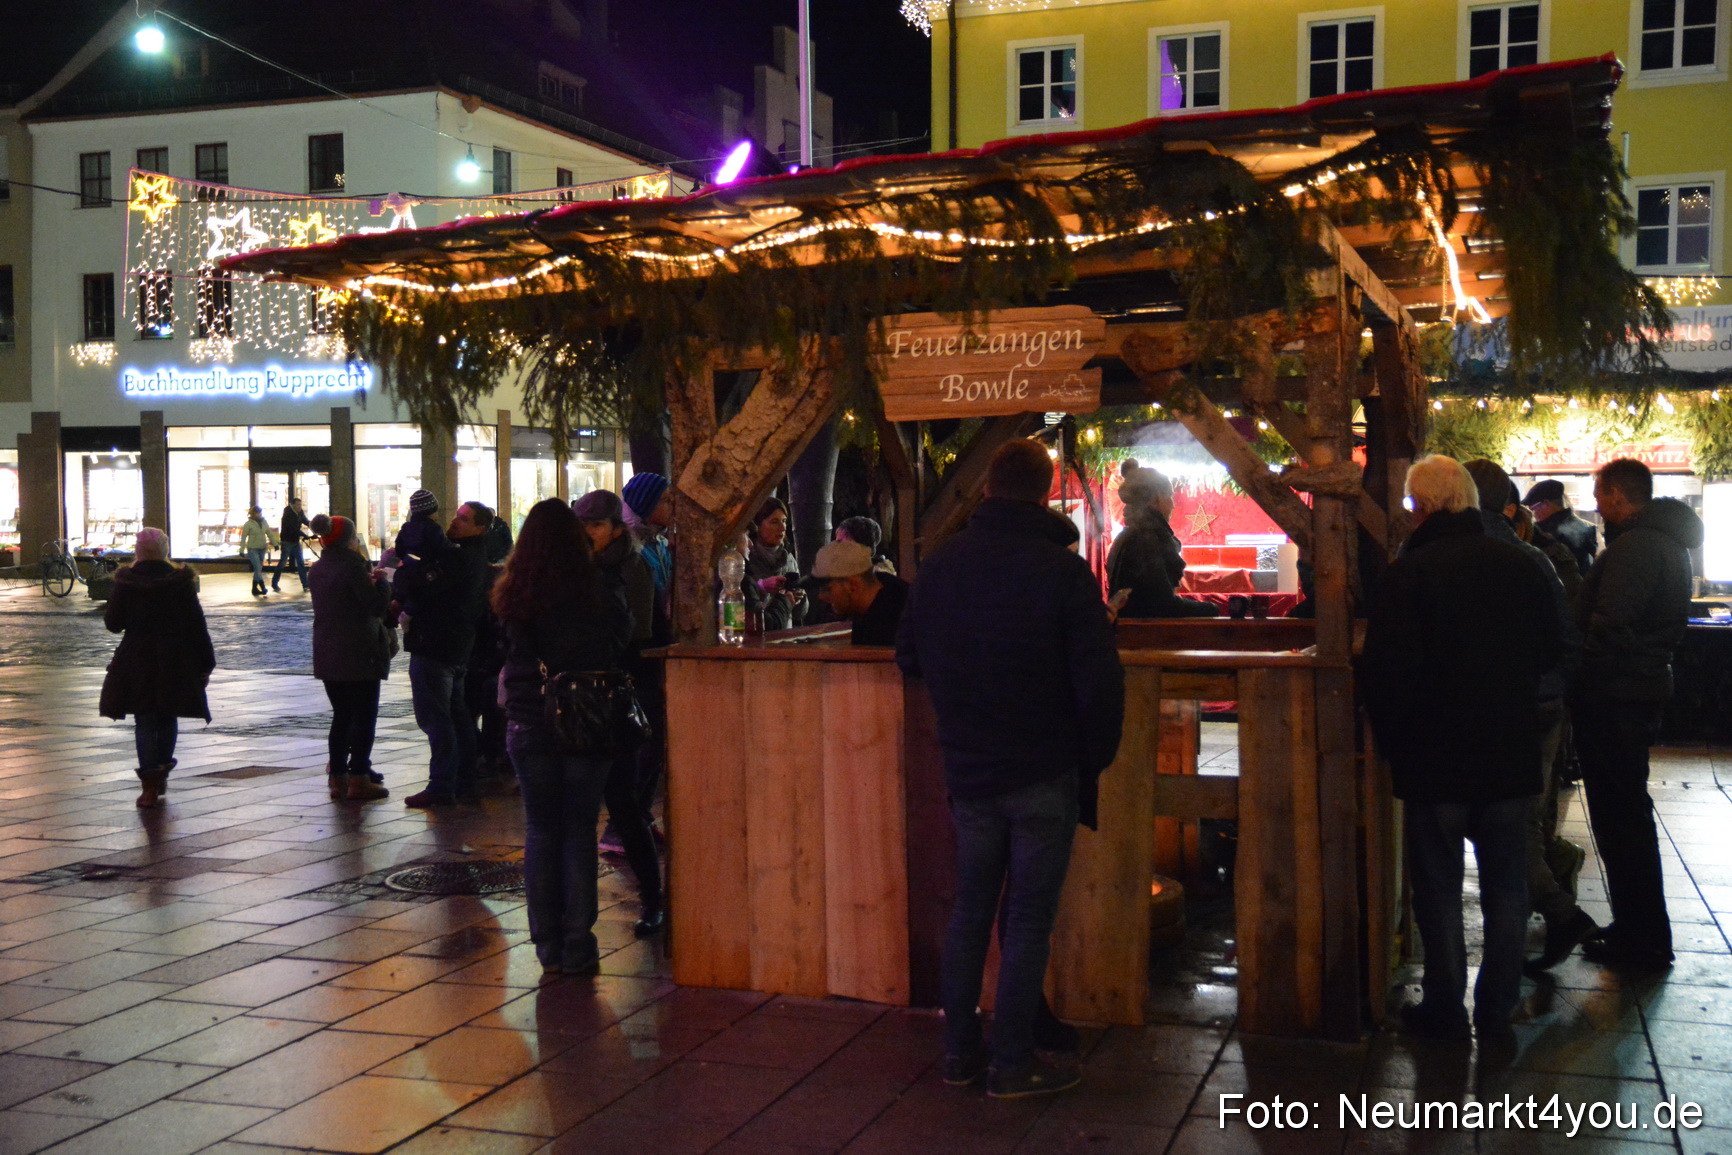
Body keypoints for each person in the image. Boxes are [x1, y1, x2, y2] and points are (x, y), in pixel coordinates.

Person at [896, 439, 1125, 1099]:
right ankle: (1014, 1061)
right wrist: (1092, 760)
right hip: (1043, 771)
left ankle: (959, 1052)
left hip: (969, 768)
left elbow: (907, 654)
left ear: (987, 489)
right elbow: (1099, 687)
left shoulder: (940, 567)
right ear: (1043, 488)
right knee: (1026, 919)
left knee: (970, 911)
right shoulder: (1063, 574)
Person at [1362, 456, 1562, 1042]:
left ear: (1419, 506)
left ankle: (1445, 1007)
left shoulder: (1408, 574)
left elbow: (1386, 676)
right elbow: (1551, 654)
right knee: (1506, 888)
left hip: (1435, 759)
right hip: (1507, 753)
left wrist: (1395, 744)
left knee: (1440, 889)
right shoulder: (1523, 566)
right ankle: (1497, 1008)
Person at [1461, 459, 1595, 972]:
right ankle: (1555, 896)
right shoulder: (1535, 558)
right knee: (1511, 821)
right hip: (1532, 706)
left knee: (1509, 824)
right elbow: (1566, 639)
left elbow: (1562, 640)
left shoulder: (1530, 558)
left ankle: (1562, 916)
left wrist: (1538, 693)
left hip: (1524, 710)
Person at [1573, 458, 1703, 970]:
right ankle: (1636, 927)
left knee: (1621, 818)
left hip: (1616, 697)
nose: (1597, 505)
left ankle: (1643, 939)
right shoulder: (1661, 542)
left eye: (1601, 495)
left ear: (1619, 496)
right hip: (1635, 691)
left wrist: (1580, 677)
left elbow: (1610, 626)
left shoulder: (1638, 546)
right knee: (1625, 816)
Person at [495, 498, 632, 975]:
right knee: (578, 830)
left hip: (530, 722)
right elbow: (621, 642)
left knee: (541, 828)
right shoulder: (597, 585)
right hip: (587, 719)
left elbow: (508, 649)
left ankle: (546, 943)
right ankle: (578, 941)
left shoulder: (515, 590)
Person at [573, 489, 664, 936]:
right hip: (583, 696)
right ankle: (578, 915)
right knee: (590, 807)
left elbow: (638, 632)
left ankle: (653, 900)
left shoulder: (632, 565)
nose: (589, 533)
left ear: (615, 525)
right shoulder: (580, 566)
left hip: (621, 691)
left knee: (625, 805)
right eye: (584, 525)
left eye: (596, 525)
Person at [99, 528, 216, 809]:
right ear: (165, 549)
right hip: (174, 658)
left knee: (144, 720)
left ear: (138, 551)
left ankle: (148, 786)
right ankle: (161, 771)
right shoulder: (180, 581)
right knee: (167, 715)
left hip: (137, 659)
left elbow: (114, 624)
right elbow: (196, 624)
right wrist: (206, 663)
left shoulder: (126, 582)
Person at [398, 501, 491, 808]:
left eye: (463, 519)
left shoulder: (458, 558)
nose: (454, 522)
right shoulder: (473, 555)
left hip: (436, 644)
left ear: (479, 528)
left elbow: (421, 585)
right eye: (456, 516)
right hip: (456, 646)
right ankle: (465, 780)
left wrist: (405, 571)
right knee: (457, 715)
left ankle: (441, 784)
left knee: (437, 718)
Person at [309, 515, 392, 802]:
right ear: (350, 539)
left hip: (328, 652)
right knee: (365, 715)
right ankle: (359, 778)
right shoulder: (354, 567)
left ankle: (337, 778)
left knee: (341, 716)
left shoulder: (317, 568)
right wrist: (382, 583)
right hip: (360, 653)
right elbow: (376, 607)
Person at [1107, 466, 1217, 619]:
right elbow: (1162, 605)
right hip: (1146, 637)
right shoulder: (1145, 539)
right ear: (1156, 499)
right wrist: (1212, 609)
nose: (1173, 504)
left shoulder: (1130, 535)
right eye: (1170, 496)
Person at [808, 540, 909, 646]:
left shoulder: (894, 627)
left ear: (852, 586)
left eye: (827, 589)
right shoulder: (884, 595)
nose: (821, 597)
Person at [744, 497, 805, 631]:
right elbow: (744, 602)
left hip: (783, 635)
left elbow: (799, 614)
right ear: (758, 525)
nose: (782, 528)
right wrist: (762, 586)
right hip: (758, 635)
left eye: (784, 521)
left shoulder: (788, 557)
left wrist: (799, 598)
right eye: (774, 522)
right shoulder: (747, 557)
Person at [1524, 479, 1598, 576]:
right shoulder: (1583, 526)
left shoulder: (1546, 533)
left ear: (1546, 504)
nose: (1534, 514)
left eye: (1533, 509)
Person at [272, 496, 314, 593]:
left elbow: (306, 521)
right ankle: (274, 583)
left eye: (300, 505)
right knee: (283, 563)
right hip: (287, 541)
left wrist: (314, 527)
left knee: (300, 563)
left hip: (295, 541)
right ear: (292, 505)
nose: (300, 507)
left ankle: (305, 585)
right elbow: (292, 528)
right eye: (298, 505)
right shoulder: (288, 514)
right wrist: (305, 535)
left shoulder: (299, 512)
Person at [239, 506, 278, 597]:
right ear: (253, 513)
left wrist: (275, 544)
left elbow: (269, 533)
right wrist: (242, 550)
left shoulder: (264, 522)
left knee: (258, 569)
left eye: (260, 512)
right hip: (252, 548)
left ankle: (254, 589)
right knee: (258, 568)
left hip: (262, 548)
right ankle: (262, 586)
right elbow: (243, 537)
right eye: (257, 512)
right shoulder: (248, 524)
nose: (259, 514)